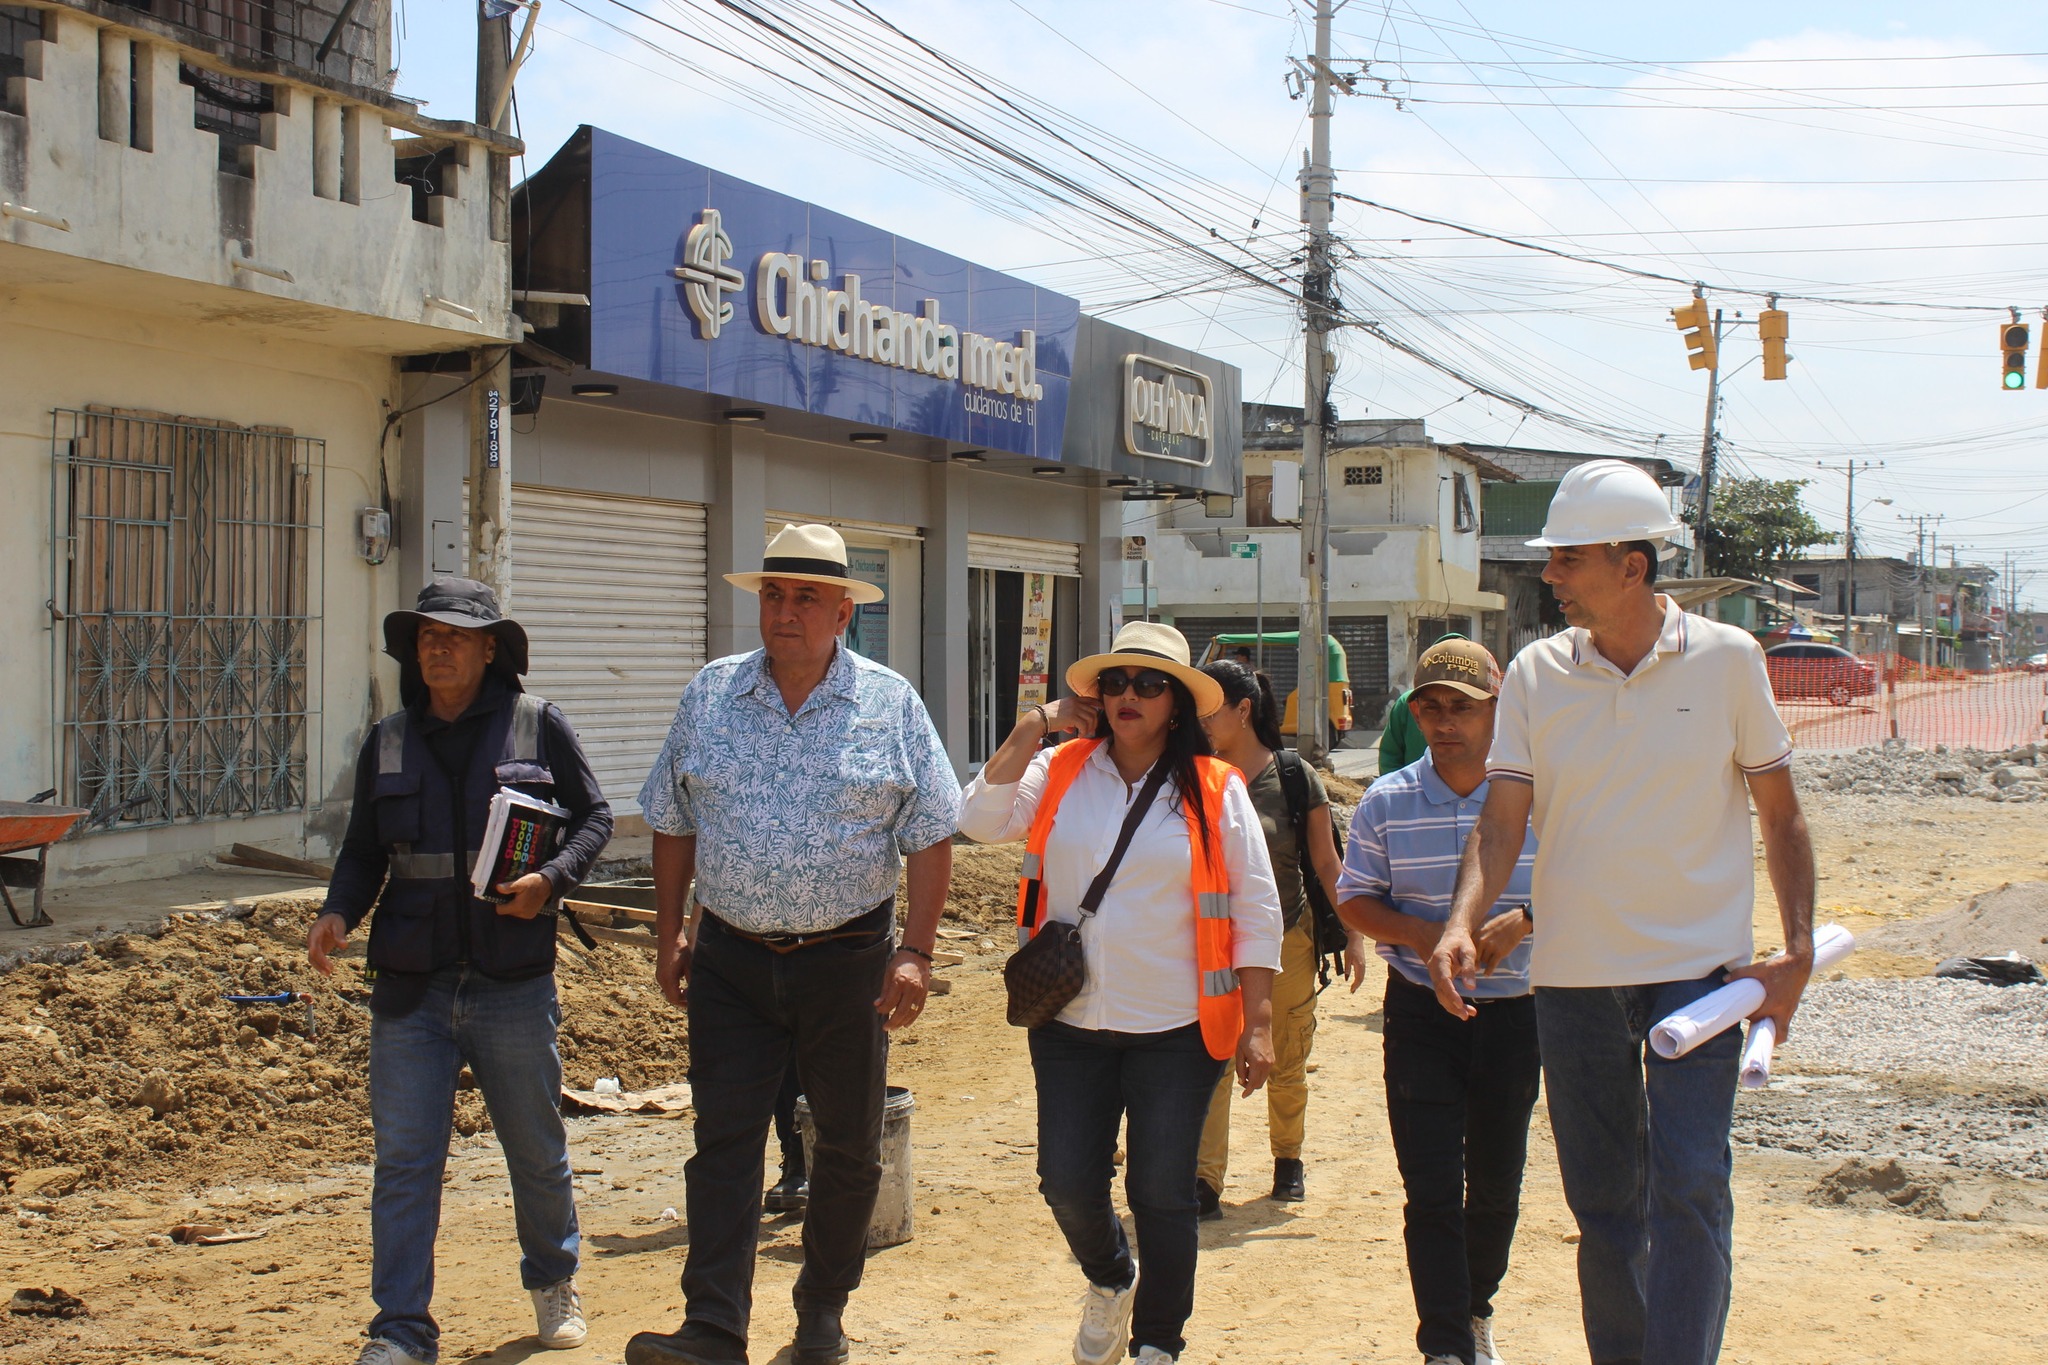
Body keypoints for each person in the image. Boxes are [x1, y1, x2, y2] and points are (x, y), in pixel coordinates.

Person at [1428, 461, 1815, 1365]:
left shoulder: (1730, 659)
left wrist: (1795, 950)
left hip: (1700, 974)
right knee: (1604, 1207)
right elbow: (1502, 820)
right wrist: (1458, 921)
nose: (1550, 574)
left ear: (1631, 564)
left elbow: (1781, 813)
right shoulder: (1535, 673)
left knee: (1691, 1187)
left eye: (1568, 557)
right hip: (1574, 980)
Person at [626, 524, 961, 1365]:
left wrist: (916, 951)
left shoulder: (890, 704)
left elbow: (931, 833)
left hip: (848, 962)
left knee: (846, 1144)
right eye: (774, 594)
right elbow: (671, 818)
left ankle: (820, 1316)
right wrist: (671, 931)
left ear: (843, 612)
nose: (785, 611)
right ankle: (713, 1327)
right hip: (730, 960)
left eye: (807, 597)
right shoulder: (711, 694)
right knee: (724, 1141)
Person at [308, 577, 615, 1365]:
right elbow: (363, 851)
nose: (437, 647)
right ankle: (400, 1327)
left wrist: (552, 879)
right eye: (425, 636)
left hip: (512, 982)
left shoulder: (535, 724)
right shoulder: (387, 740)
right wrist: (338, 911)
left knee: (535, 1147)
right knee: (405, 1161)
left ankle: (553, 1278)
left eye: (454, 635)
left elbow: (595, 817)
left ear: (488, 650)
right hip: (411, 986)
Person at [959, 621, 1284, 1365]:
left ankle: (1158, 1343)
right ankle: (1111, 1277)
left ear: (1177, 702)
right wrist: (1034, 725)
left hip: (1178, 1029)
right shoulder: (1061, 767)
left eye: (1149, 683)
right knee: (1066, 1182)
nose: (1127, 695)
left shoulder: (1216, 789)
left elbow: (1256, 907)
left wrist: (1259, 1019)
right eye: (1114, 682)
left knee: (1162, 1192)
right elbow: (977, 819)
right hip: (1068, 1021)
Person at [1337, 638, 1539, 1365]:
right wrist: (1423, 934)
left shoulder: (1541, 799)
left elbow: (1592, 881)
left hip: (1515, 1012)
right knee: (1429, 1186)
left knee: (1495, 1183)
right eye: (1430, 708)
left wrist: (1527, 920)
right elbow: (1355, 898)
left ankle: (1476, 1307)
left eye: (1463, 706)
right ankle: (1446, 1345)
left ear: (1498, 710)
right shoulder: (1387, 801)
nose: (1446, 721)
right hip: (1421, 1012)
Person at [1192, 660, 1367, 1216]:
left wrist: (1354, 934)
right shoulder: (1193, 774)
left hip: (1287, 937)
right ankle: (1204, 1180)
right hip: (1210, 944)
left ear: (1243, 710)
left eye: (1210, 709)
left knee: (1287, 1055)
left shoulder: (1292, 776)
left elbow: (1327, 864)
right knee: (1212, 1059)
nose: (1200, 720)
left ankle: (1288, 1159)